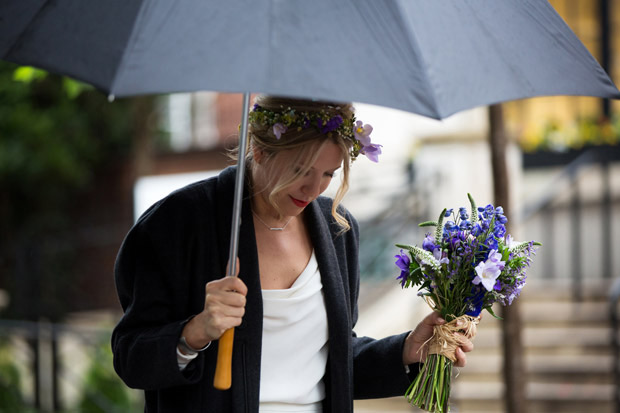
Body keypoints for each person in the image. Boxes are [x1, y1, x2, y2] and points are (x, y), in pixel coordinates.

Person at [111, 95, 474, 413]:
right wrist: (195, 331)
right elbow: (131, 358)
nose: (313, 188)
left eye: (328, 173)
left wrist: (406, 349)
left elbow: (334, 363)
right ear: (260, 150)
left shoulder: (338, 230)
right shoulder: (178, 222)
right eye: (300, 169)